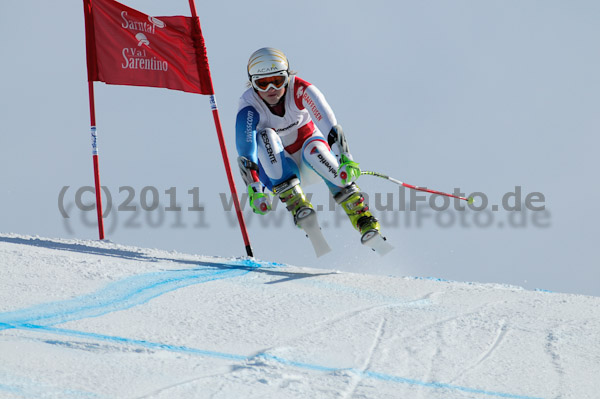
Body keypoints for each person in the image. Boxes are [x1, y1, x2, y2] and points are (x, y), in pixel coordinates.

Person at [235, 47, 383, 247]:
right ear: (252, 84)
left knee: (314, 148)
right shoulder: (249, 104)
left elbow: (329, 125)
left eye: (277, 81)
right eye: (262, 84)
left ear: (287, 77)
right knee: (265, 136)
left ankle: (361, 215)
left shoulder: (301, 90)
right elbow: (246, 148)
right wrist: (254, 189)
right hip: (278, 171)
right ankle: (296, 203)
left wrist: (345, 159)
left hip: (311, 161)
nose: (270, 89)